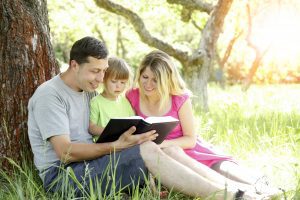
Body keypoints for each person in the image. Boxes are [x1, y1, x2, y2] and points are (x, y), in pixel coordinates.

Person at [28, 36, 261, 199]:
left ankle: (234, 188)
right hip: (63, 177)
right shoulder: (50, 95)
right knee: (147, 149)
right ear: (74, 65)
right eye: (95, 71)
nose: (101, 79)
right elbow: (65, 152)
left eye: (103, 71)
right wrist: (116, 146)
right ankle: (227, 197)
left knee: (168, 149)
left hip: (90, 165)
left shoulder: (87, 91)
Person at [126, 50, 281, 198]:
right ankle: (243, 194)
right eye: (145, 77)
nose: (148, 84)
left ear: (166, 80)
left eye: (155, 80)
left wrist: (161, 143)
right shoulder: (132, 97)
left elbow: (190, 139)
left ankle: (267, 189)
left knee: (229, 171)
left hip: (192, 151)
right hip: (168, 158)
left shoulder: (179, 98)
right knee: (213, 180)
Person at [88, 57, 134, 140]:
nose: (118, 86)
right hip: (105, 146)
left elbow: (133, 123)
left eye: (122, 82)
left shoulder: (125, 101)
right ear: (104, 79)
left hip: (125, 143)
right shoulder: (96, 102)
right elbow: (92, 128)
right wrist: (111, 131)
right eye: (113, 81)